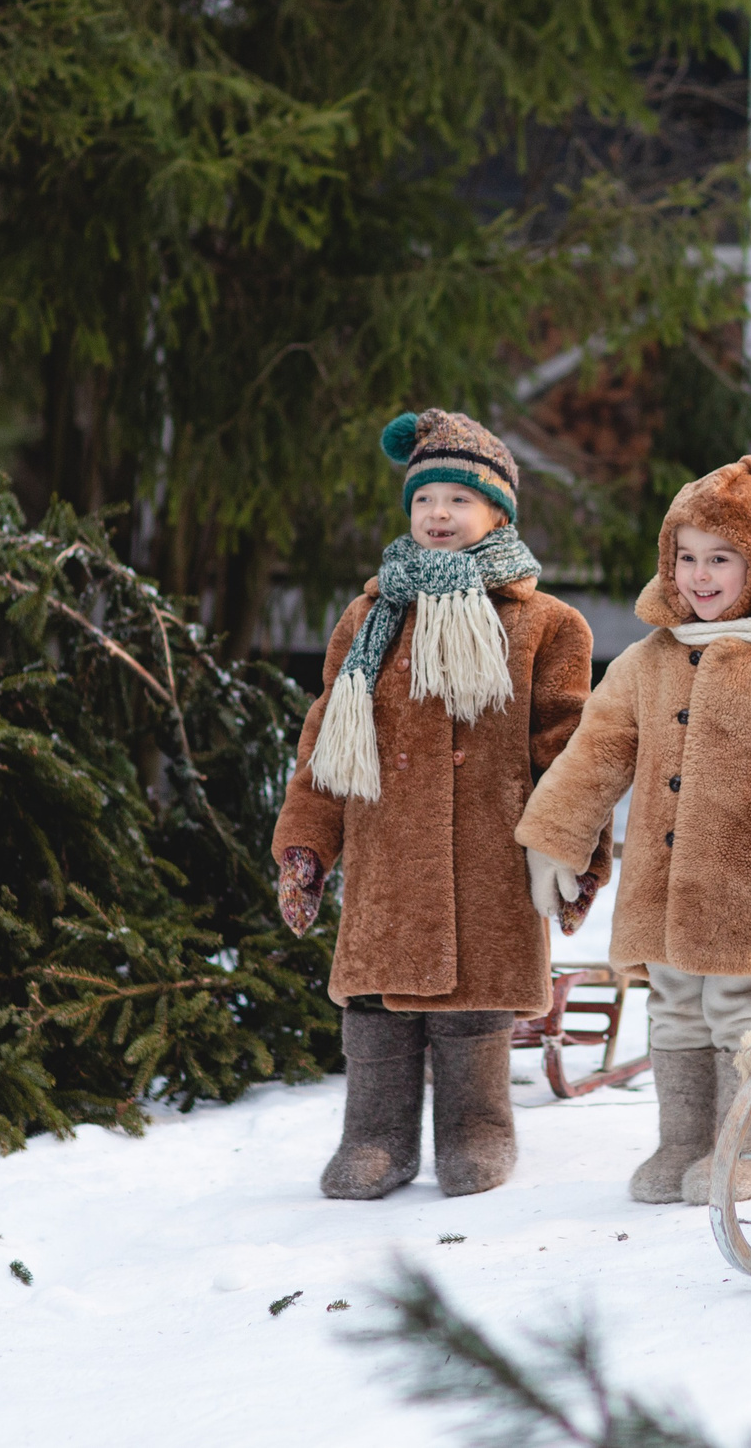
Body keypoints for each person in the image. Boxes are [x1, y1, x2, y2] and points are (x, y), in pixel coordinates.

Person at [516, 456, 751, 1204]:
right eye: (685, 557)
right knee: (674, 1010)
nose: (699, 575)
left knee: (741, 1011)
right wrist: (555, 836)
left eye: (720, 558)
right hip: (661, 890)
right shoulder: (648, 662)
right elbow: (595, 752)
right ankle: (683, 1142)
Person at [273, 408, 605, 1200]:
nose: (439, 514)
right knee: (378, 1005)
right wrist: (306, 845)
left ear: (499, 513)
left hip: (487, 858)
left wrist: (576, 850)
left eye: (459, 498)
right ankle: (376, 1138)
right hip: (389, 857)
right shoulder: (369, 618)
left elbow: (571, 752)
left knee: (472, 1005)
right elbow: (326, 743)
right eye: (424, 499)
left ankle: (477, 1130)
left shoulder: (545, 625)